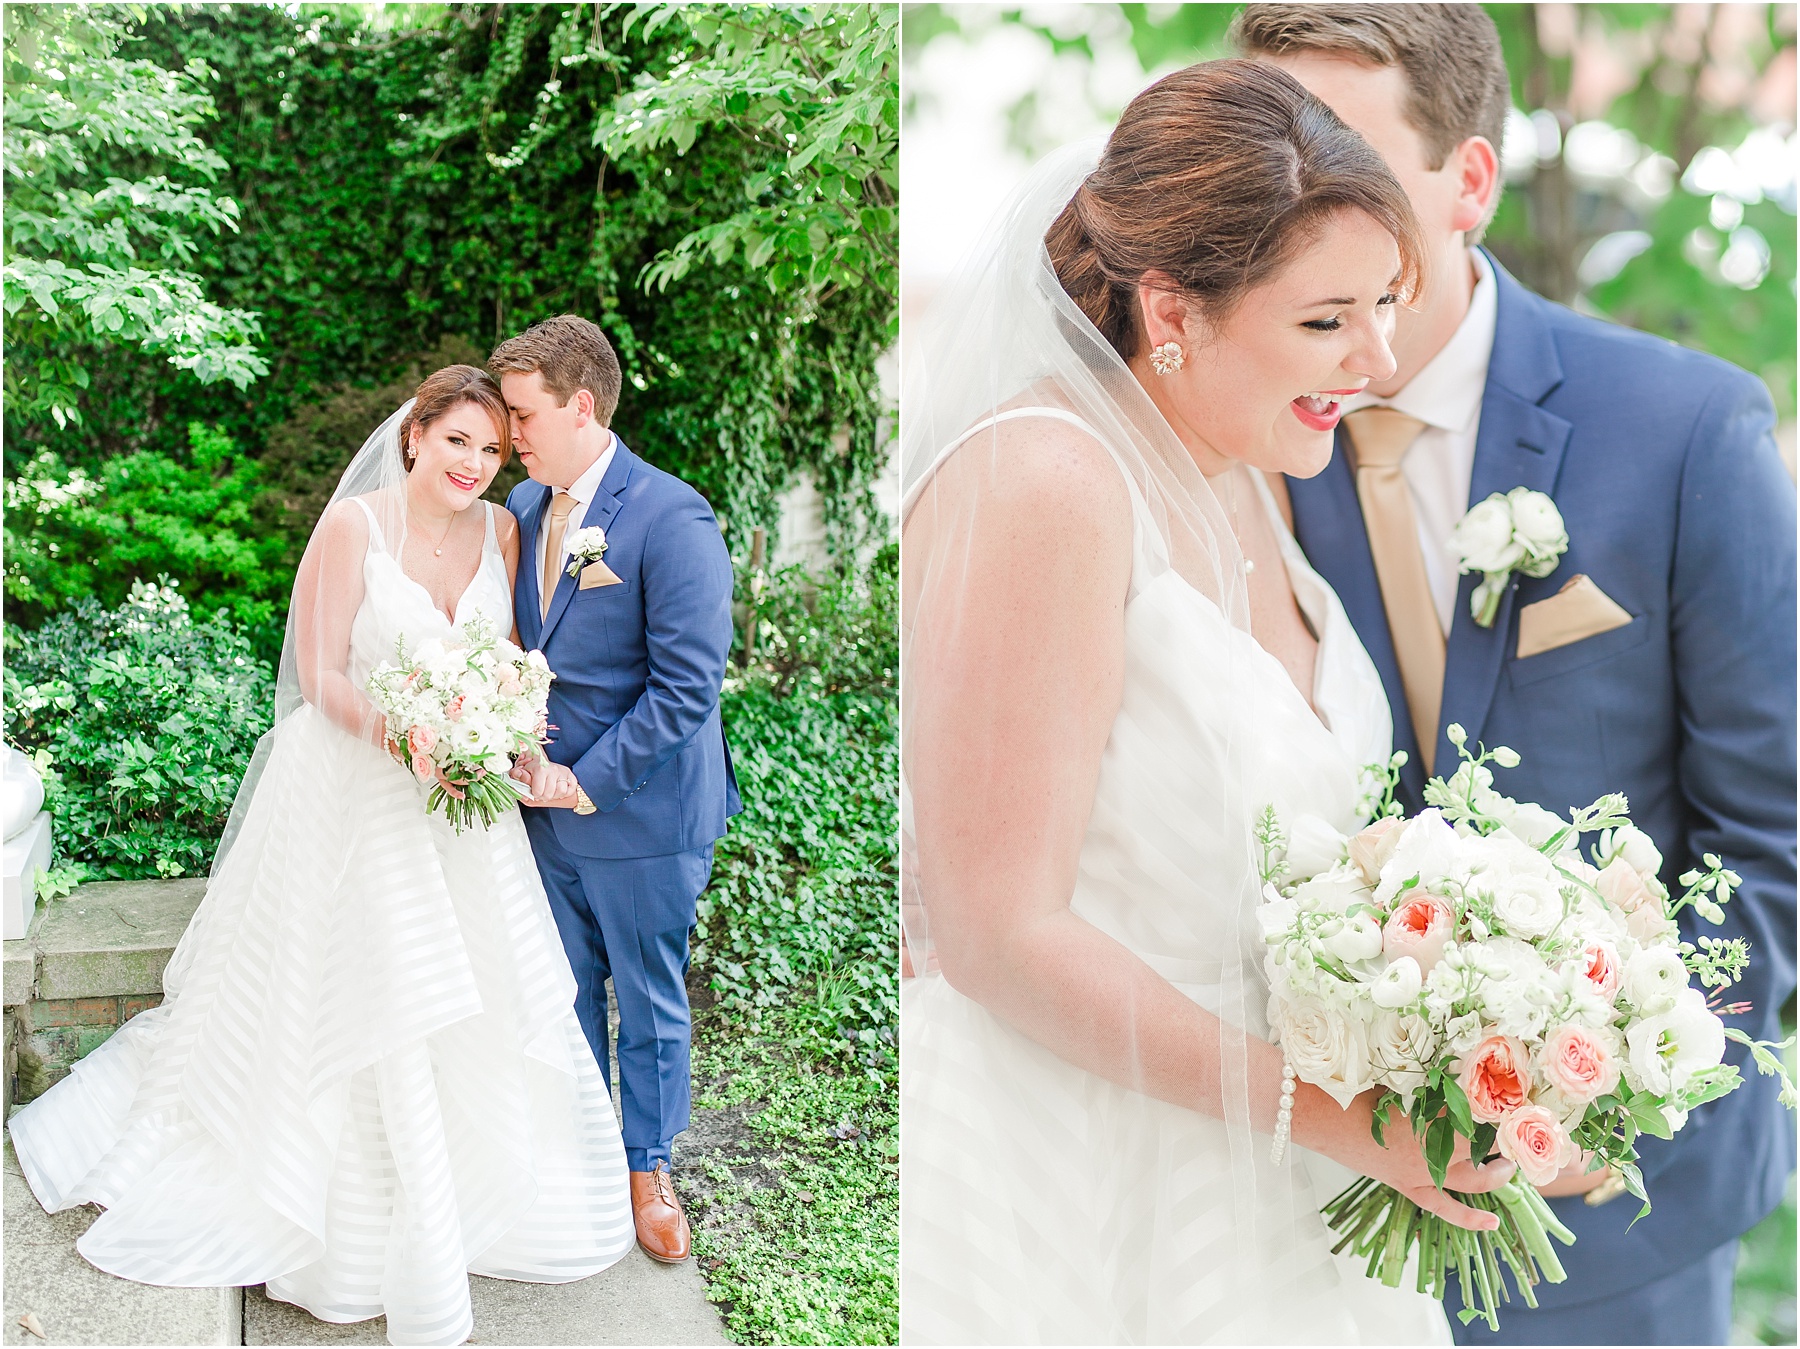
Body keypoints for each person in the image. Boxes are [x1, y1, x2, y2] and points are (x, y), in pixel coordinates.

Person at [900, 59, 1520, 1345]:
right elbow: (995, 926)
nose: (1379, 356)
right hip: (1086, 1175)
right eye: (1328, 318)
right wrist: (1340, 1115)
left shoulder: (1251, 470)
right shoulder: (1047, 483)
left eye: (1388, 304)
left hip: (1283, 1180)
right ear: (1173, 307)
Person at [1234, 6, 1797, 1344]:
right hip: (1305, 1206)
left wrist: (1612, 1088)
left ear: (1469, 183)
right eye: (1267, 160)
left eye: (1342, 158)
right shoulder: (1228, 453)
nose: (1291, 209)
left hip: (1621, 1211)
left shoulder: (1682, 428)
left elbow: (1771, 832)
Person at [8, 365, 635, 1348]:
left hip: (461, 806)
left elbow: (504, 661)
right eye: (457, 440)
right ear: (417, 435)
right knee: (366, 994)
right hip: (356, 783)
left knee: (479, 998)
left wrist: (504, 731)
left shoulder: (503, 532)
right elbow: (321, 673)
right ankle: (328, 1208)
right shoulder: (357, 527)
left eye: (490, 448)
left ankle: (467, 1196)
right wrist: (411, 739)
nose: (474, 463)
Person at [490, 315, 739, 1266]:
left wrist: (582, 782)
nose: (514, 435)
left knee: (648, 994)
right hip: (537, 813)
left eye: (524, 414)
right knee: (563, 988)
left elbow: (687, 689)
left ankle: (649, 1167)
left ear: (581, 404)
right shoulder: (520, 506)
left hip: (641, 811)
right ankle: (592, 1154)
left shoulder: (671, 516)